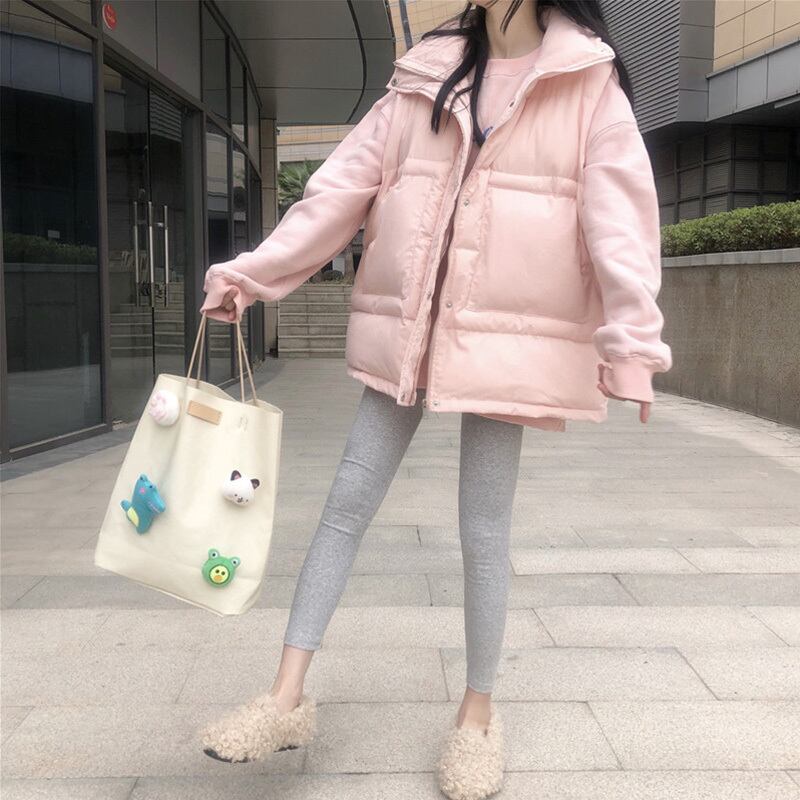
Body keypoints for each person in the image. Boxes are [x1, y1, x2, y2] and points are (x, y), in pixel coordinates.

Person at [197, 2, 672, 798]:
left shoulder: (587, 83)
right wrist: (252, 275)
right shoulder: (425, 73)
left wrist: (632, 342)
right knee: (346, 502)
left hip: (506, 339)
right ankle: (285, 698)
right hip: (410, 330)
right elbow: (338, 191)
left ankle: (477, 716)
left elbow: (621, 221)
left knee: (483, 529)